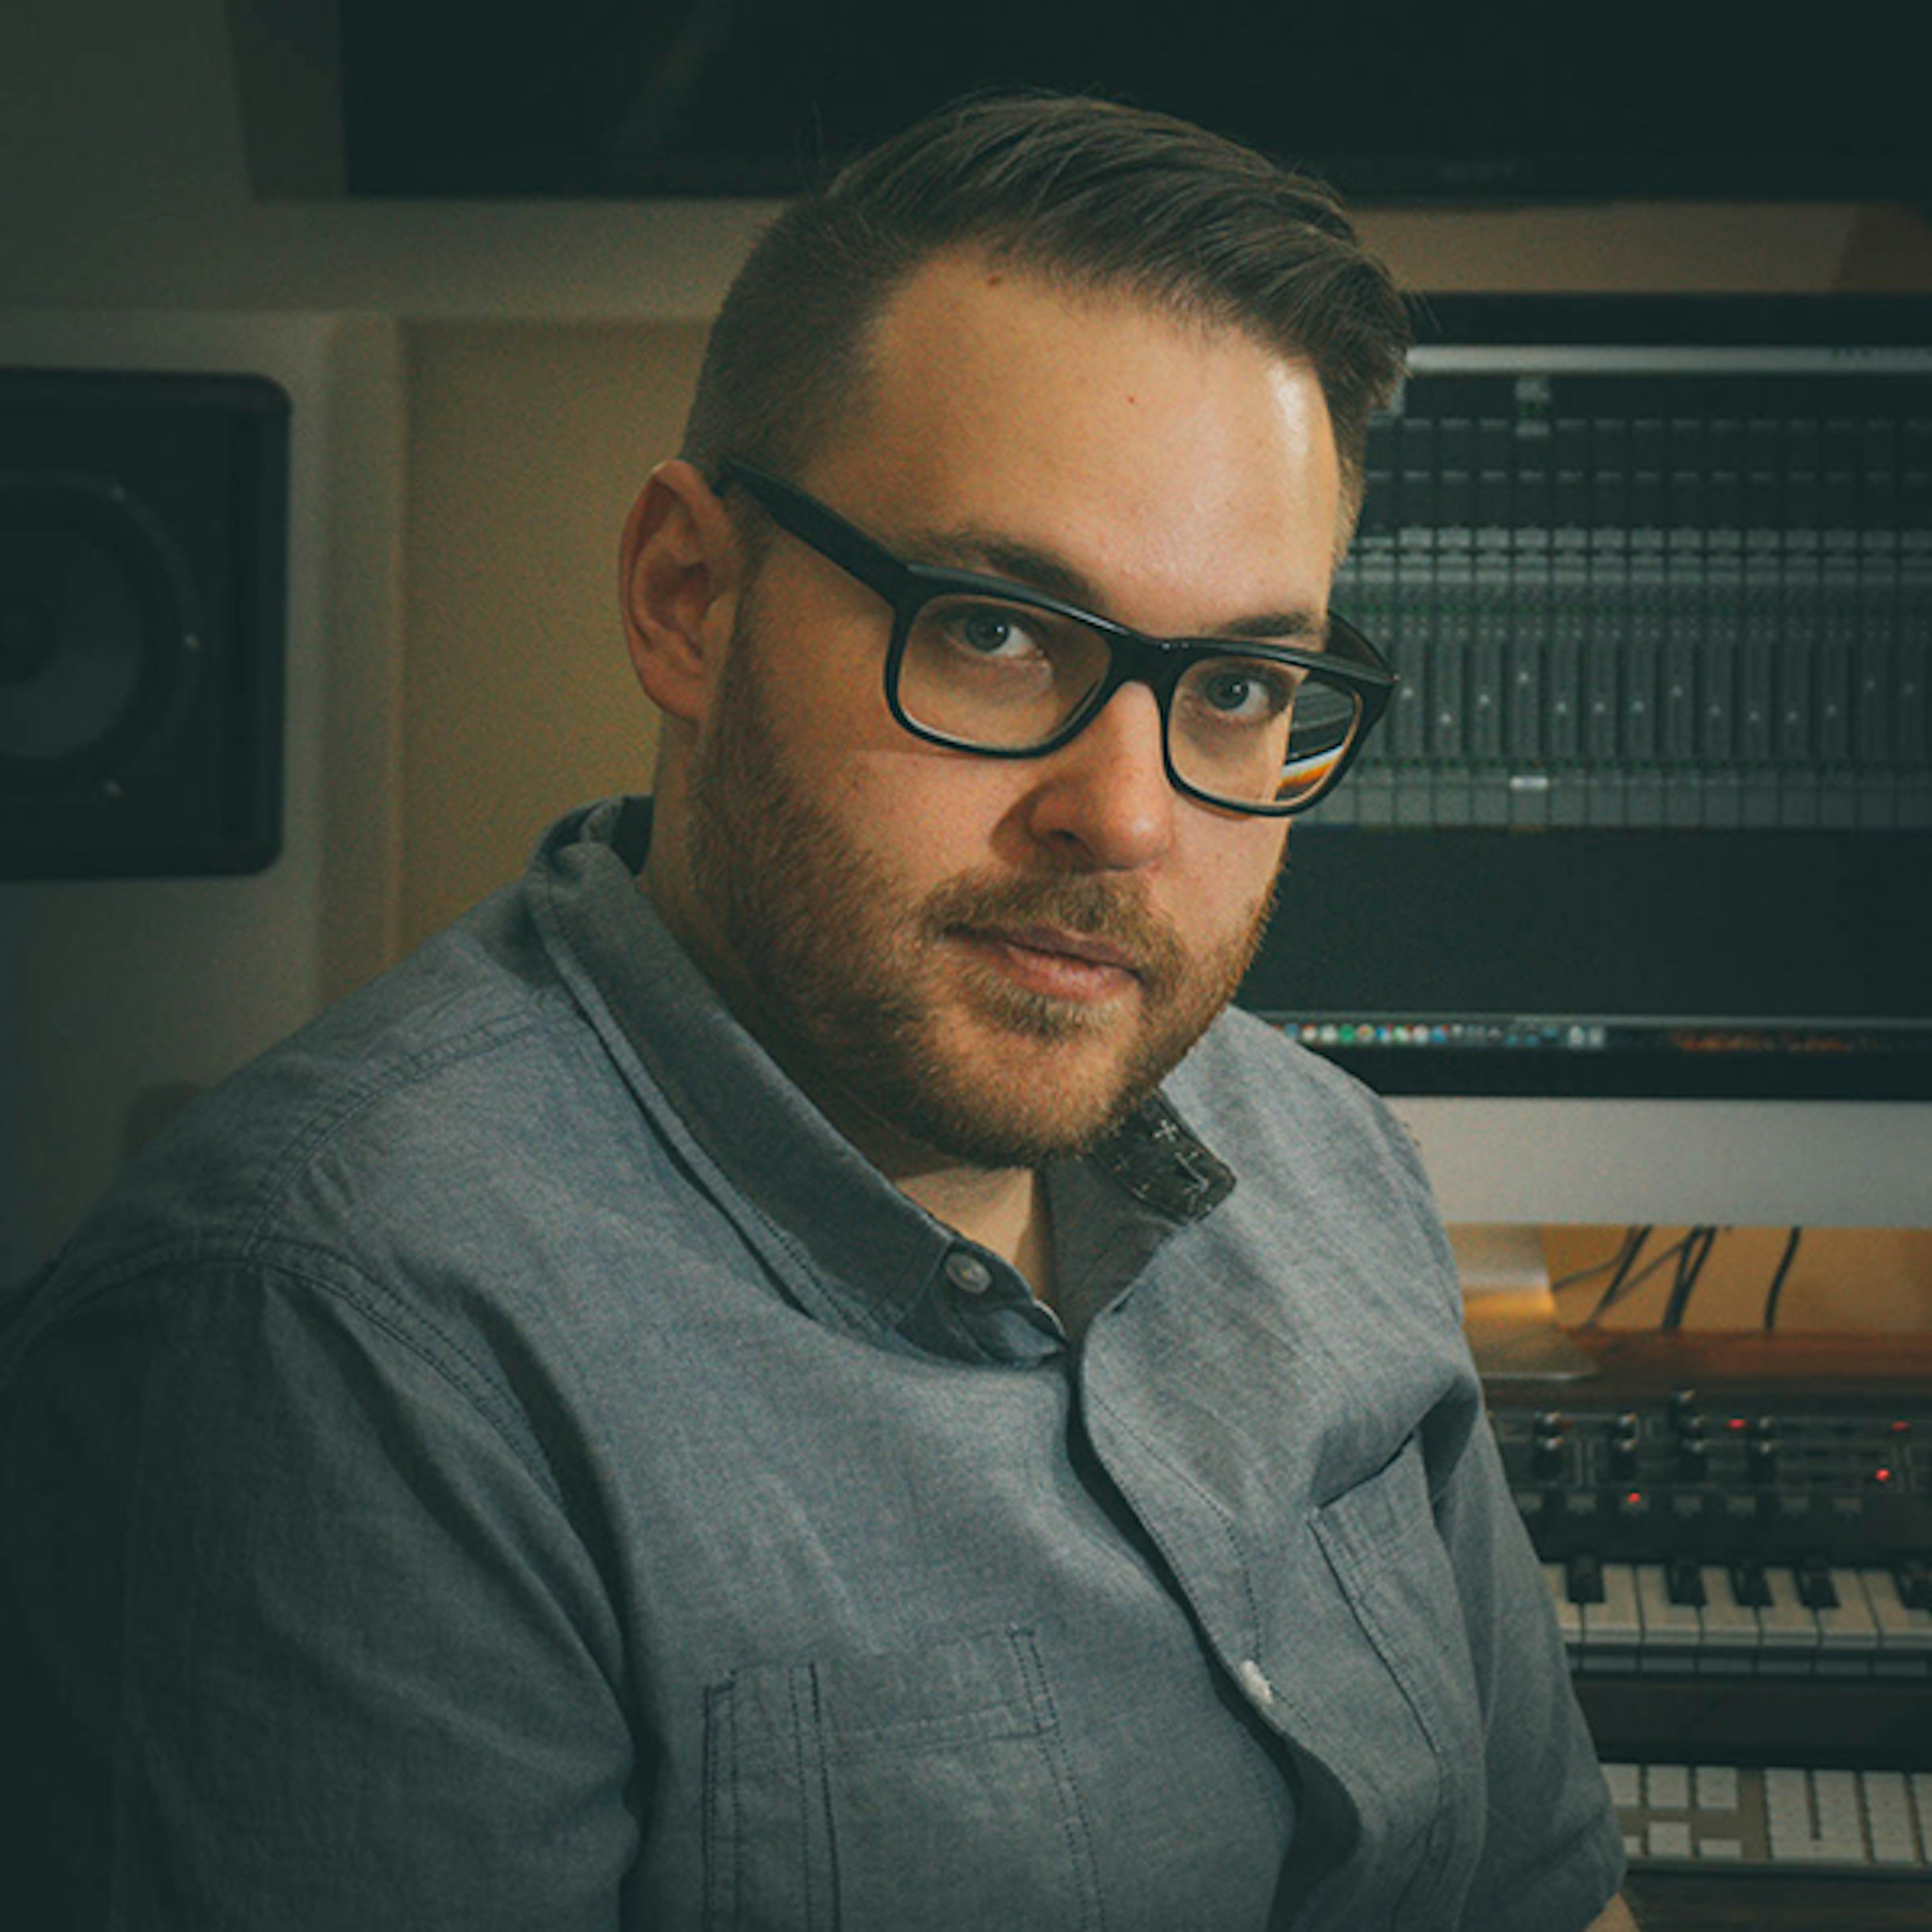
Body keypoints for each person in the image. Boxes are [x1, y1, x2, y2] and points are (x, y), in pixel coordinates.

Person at [1, 94, 1634, 1930]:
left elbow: (1541, 1898)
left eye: (1243, 685)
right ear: (687, 599)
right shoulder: (316, 1344)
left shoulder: (1327, 1158)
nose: (1127, 817)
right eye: (995, 630)